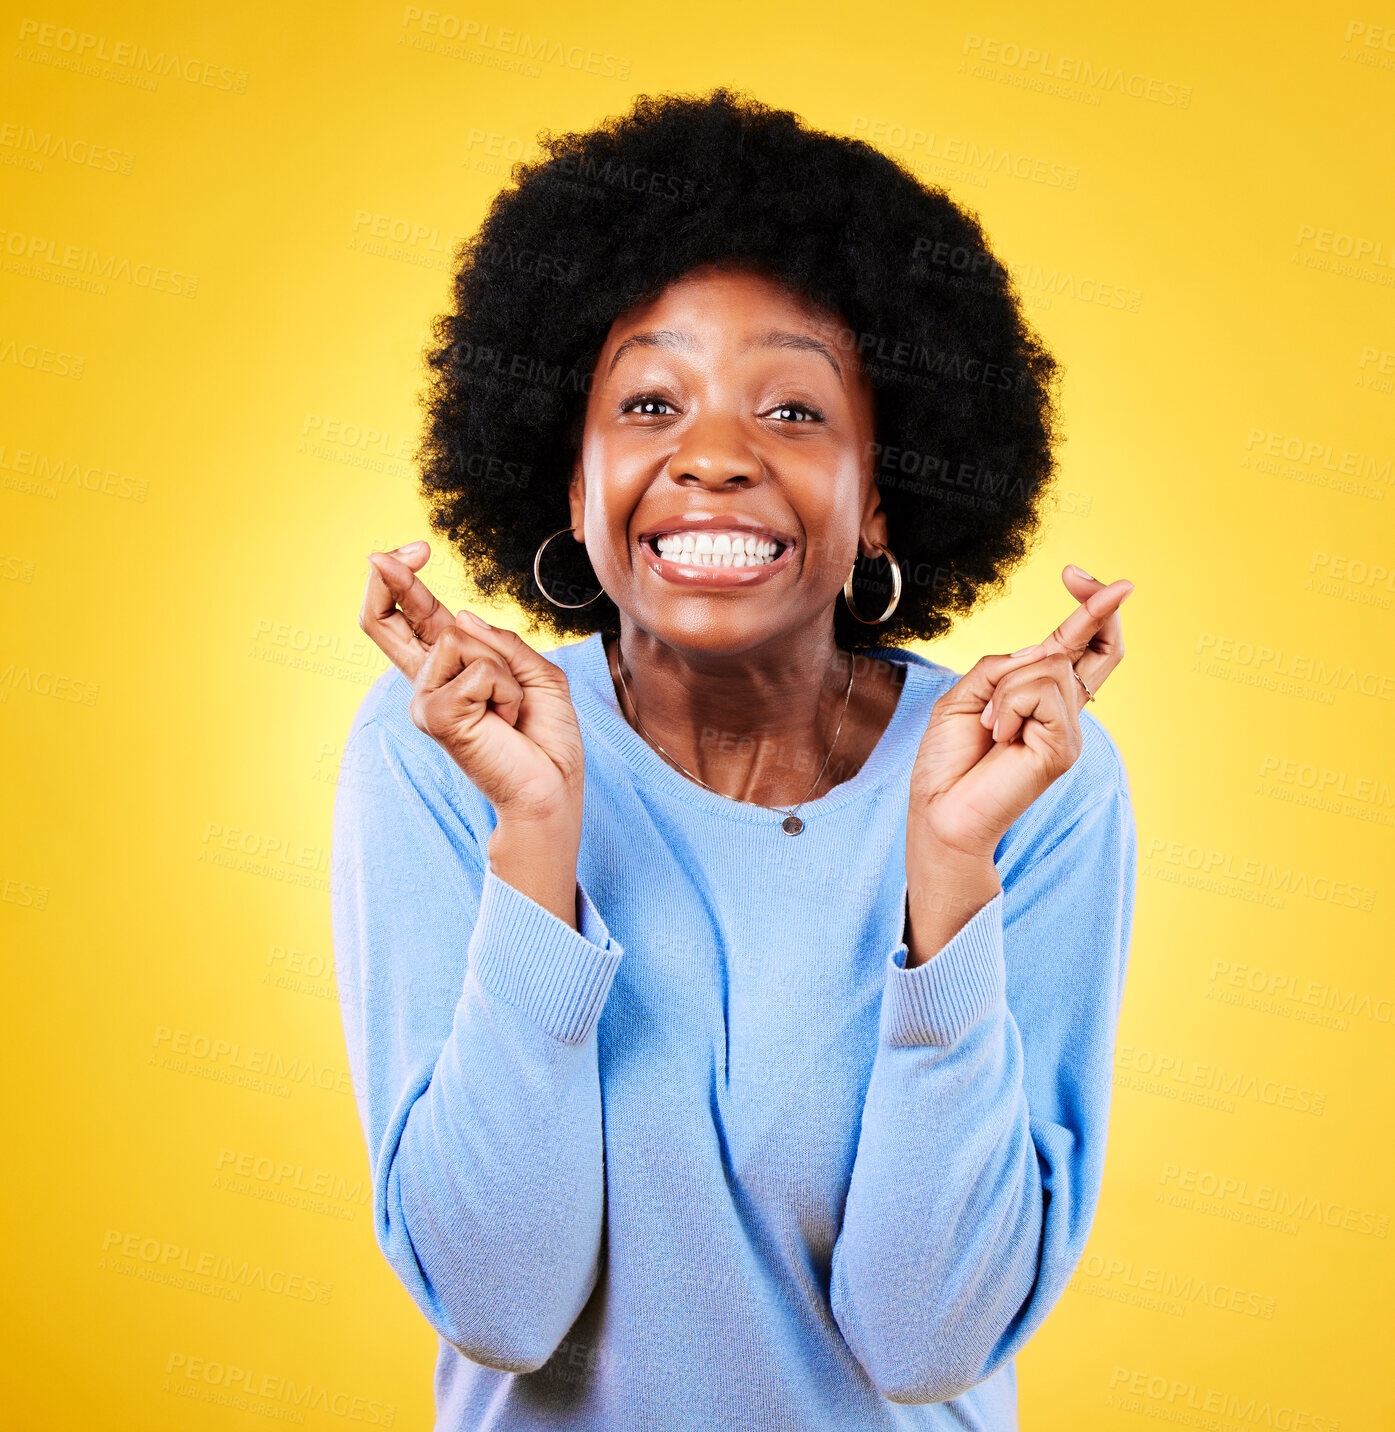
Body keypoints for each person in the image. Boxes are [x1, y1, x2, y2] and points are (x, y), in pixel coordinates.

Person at [332, 87, 1137, 1431]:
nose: (712, 458)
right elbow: (501, 1302)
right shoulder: (445, 748)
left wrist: (946, 877)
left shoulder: (1026, 782)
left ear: (882, 490)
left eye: (793, 413)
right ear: (572, 482)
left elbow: (928, 1340)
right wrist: (536, 843)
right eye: (651, 403)